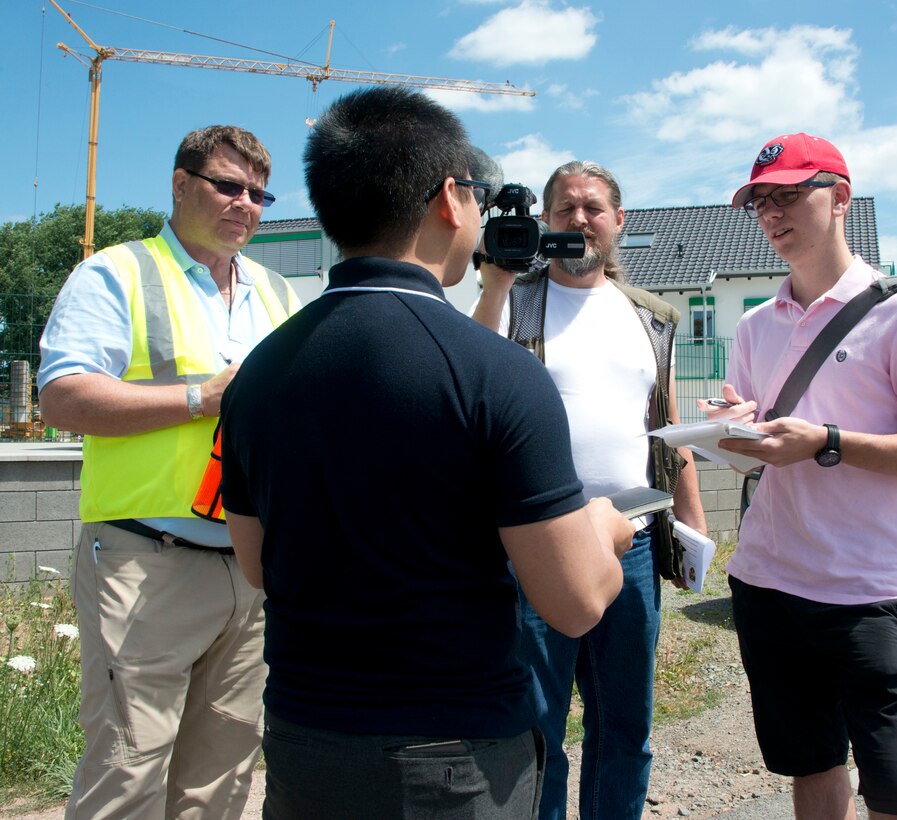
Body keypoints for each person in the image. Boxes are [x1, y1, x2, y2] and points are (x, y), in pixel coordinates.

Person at [218, 86, 635, 820]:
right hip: (453, 759)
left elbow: (257, 565)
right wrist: (603, 528)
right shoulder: (498, 373)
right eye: (476, 195)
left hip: (303, 745)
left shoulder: (258, 375)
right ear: (450, 198)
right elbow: (572, 604)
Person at [706, 132, 897, 820]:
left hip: (875, 593)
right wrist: (733, 426)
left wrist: (826, 441)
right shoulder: (757, 326)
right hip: (771, 581)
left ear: (841, 197)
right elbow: (760, 432)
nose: (772, 213)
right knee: (813, 771)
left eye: (791, 194)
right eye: (761, 201)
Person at [38, 125, 300, 819]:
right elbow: (60, 396)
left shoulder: (277, 293)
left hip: (246, 570)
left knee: (222, 778)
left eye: (258, 193)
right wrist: (200, 398)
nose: (244, 203)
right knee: (127, 776)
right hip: (142, 561)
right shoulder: (116, 272)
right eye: (227, 185)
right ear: (180, 184)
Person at [471, 160, 708, 820]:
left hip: (631, 544)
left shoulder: (652, 317)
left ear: (618, 221)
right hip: (537, 541)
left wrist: (691, 530)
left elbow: (665, 426)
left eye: (594, 208)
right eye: (566, 208)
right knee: (538, 728)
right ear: (545, 220)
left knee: (625, 730)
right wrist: (495, 283)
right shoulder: (516, 299)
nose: (580, 219)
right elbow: (470, 371)